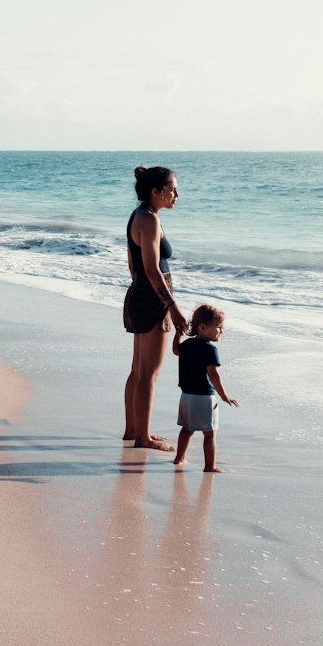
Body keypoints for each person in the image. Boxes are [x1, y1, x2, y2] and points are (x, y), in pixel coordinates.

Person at [123, 164, 189, 451]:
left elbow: (132, 263)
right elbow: (152, 268)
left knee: (138, 370)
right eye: (172, 188)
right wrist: (172, 307)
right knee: (150, 373)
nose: (177, 194)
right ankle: (143, 437)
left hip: (141, 294)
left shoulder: (139, 216)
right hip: (153, 298)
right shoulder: (149, 220)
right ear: (155, 191)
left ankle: (132, 431)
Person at [172, 304, 239, 473]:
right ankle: (210, 466)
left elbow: (175, 350)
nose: (221, 331)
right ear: (203, 327)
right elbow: (214, 374)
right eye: (219, 327)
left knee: (186, 429)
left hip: (186, 396)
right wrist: (224, 396)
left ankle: (179, 458)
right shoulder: (210, 349)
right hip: (203, 397)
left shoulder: (187, 345)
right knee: (209, 434)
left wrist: (178, 334)